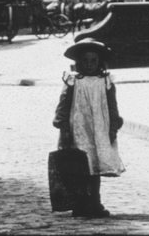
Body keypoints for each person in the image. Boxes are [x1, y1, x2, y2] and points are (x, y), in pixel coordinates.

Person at [52, 37, 124, 218]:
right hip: (78, 130)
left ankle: (95, 202)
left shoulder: (105, 82)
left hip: (99, 130)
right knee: (80, 166)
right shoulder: (73, 82)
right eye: (85, 60)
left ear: (100, 62)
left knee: (95, 167)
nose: (89, 64)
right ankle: (80, 203)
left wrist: (113, 127)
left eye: (93, 60)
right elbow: (63, 106)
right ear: (78, 63)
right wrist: (63, 128)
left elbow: (112, 106)